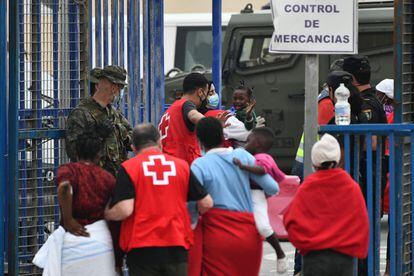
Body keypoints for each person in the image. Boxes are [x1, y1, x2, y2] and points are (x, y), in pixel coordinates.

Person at [105, 123, 213, 276]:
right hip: (177, 246)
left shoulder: (129, 168)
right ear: (159, 143)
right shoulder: (182, 166)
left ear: (133, 147)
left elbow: (125, 209)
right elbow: (207, 203)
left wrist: (107, 213)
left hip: (142, 250)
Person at [188, 117, 279, 276]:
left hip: (216, 237)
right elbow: (272, 188)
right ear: (223, 136)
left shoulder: (199, 165)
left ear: (199, 141)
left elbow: (192, 209)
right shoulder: (243, 156)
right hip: (249, 236)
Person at [284, 134, 369, 276]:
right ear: (337, 160)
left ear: (314, 161)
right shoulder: (350, 186)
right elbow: (362, 222)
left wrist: (303, 246)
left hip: (314, 258)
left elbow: (291, 221)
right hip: (345, 259)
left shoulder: (307, 187)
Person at [233, 127, 301, 273]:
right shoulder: (253, 155)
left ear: (257, 143)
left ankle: (280, 253)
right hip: (245, 193)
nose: (245, 144)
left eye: (248, 140)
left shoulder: (263, 158)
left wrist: (243, 166)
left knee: (263, 226)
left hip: (257, 194)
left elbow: (262, 170)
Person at [343, 56, 387, 275]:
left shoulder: (366, 104)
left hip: (366, 175)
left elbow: (371, 143)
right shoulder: (369, 99)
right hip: (367, 176)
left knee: (362, 231)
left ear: (351, 79)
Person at [55, 129, 117, 275]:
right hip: (101, 243)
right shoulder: (108, 178)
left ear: (76, 153)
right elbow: (111, 214)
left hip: (73, 241)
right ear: (98, 155)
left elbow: (64, 187)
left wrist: (69, 219)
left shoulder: (68, 170)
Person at [65, 65, 132, 176]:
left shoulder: (113, 113)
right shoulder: (81, 113)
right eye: (116, 87)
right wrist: (97, 135)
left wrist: (124, 137)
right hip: (94, 180)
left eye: (119, 88)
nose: (117, 91)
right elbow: (74, 152)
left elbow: (132, 137)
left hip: (116, 179)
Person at [158, 73, 215, 165]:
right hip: (182, 165)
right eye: (206, 92)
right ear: (200, 92)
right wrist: (214, 125)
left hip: (167, 164)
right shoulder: (187, 104)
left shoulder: (170, 110)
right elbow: (193, 115)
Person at [376, 78, 394, 276]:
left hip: (383, 169)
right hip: (394, 170)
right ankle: (390, 269)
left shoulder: (382, 113)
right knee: (395, 224)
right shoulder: (398, 114)